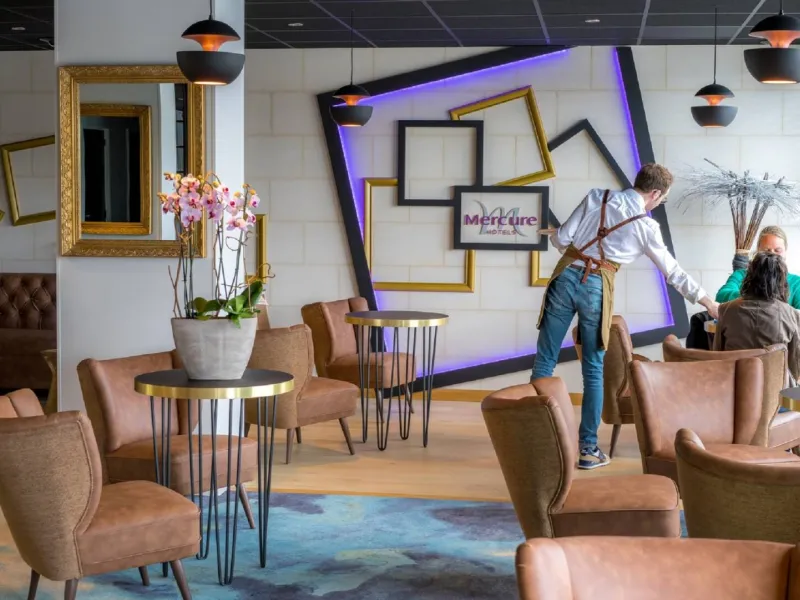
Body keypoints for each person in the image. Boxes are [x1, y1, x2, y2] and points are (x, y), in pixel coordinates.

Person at [533, 163, 719, 470]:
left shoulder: (597, 197)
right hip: (596, 287)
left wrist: (564, 239)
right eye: (663, 198)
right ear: (655, 193)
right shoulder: (646, 227)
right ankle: (588, 450)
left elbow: (562, 239)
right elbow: (673, 273)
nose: (660, 203)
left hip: (564, 277)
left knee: (544, 360)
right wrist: (709, 303)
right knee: (593, 369)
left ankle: (538, 445)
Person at [714, 251, 800, 385]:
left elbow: (717, 355)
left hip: (733, 388)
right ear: (782, 281)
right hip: (775, 391)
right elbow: (795, 366)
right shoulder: (792, 314)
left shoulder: (725, 310)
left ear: (749, 277)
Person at [716, 225, 800, 309]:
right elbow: (721, 296)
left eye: (777, 250)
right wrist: (757, 297)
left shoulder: (796, 283)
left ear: (785, 251)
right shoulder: (740, 275)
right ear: (758, 250)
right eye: (766, 250)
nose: (772, 255)